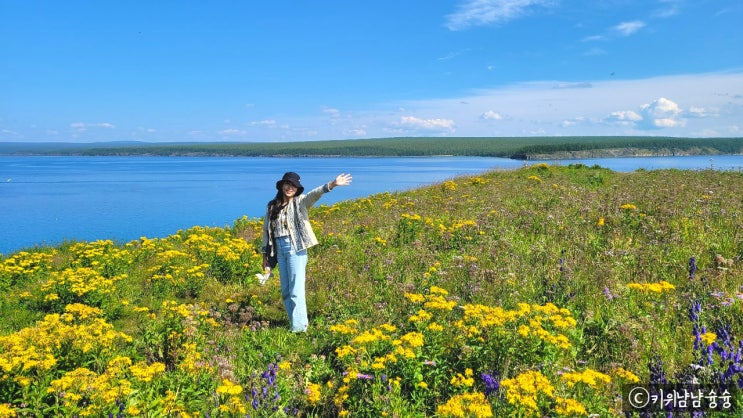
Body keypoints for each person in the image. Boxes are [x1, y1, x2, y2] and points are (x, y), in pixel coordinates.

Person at [262, 171, 352, 332]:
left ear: (297, 189)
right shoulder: (272, 206)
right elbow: (266, 232)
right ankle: (294, 323)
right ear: (282, 185)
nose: (290, 188)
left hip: (295, 247)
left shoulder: (301, 202)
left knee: (296, 289)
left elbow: (314, 194)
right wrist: (265, 255)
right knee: (286, 290)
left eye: (294, 185)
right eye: (287, 184)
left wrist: (332, 184)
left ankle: (299, 328)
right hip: (279, 249)